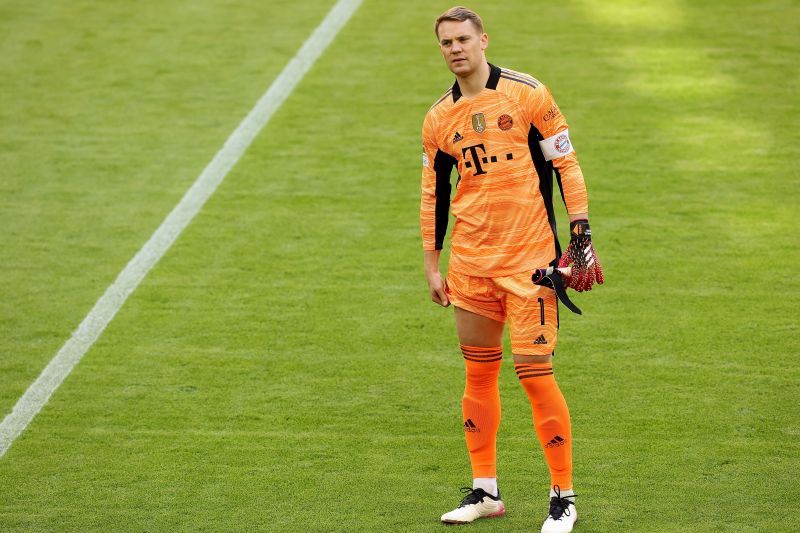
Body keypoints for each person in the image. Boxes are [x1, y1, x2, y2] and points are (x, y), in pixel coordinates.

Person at [419, 6, 604, 533]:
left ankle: (563, 498)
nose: (454, 48)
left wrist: (581, 231)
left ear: (483, 40)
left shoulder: (527, 94)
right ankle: (486, 492)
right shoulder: (438, 119)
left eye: (462, 39)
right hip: (472, 265)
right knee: (478, 373)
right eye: (445, 42)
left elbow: (565, 163)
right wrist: (433, 265)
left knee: (535, 376)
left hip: (531, 265)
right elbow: (432, 197)